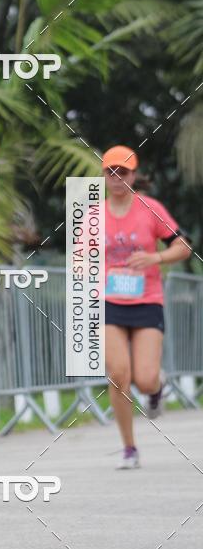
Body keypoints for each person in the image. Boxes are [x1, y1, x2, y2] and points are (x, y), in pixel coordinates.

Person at [103, 147, 191, 469]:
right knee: (118, 376)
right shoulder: (94, 214)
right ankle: (129, 448)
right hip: (111, 301)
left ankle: (157, 389)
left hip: (147, 300)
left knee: (144, 378)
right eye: (110, 172)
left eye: (122, 172)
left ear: (133, 175)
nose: (116, 178)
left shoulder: (149, 209)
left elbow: (183, 246)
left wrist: (155, 258)